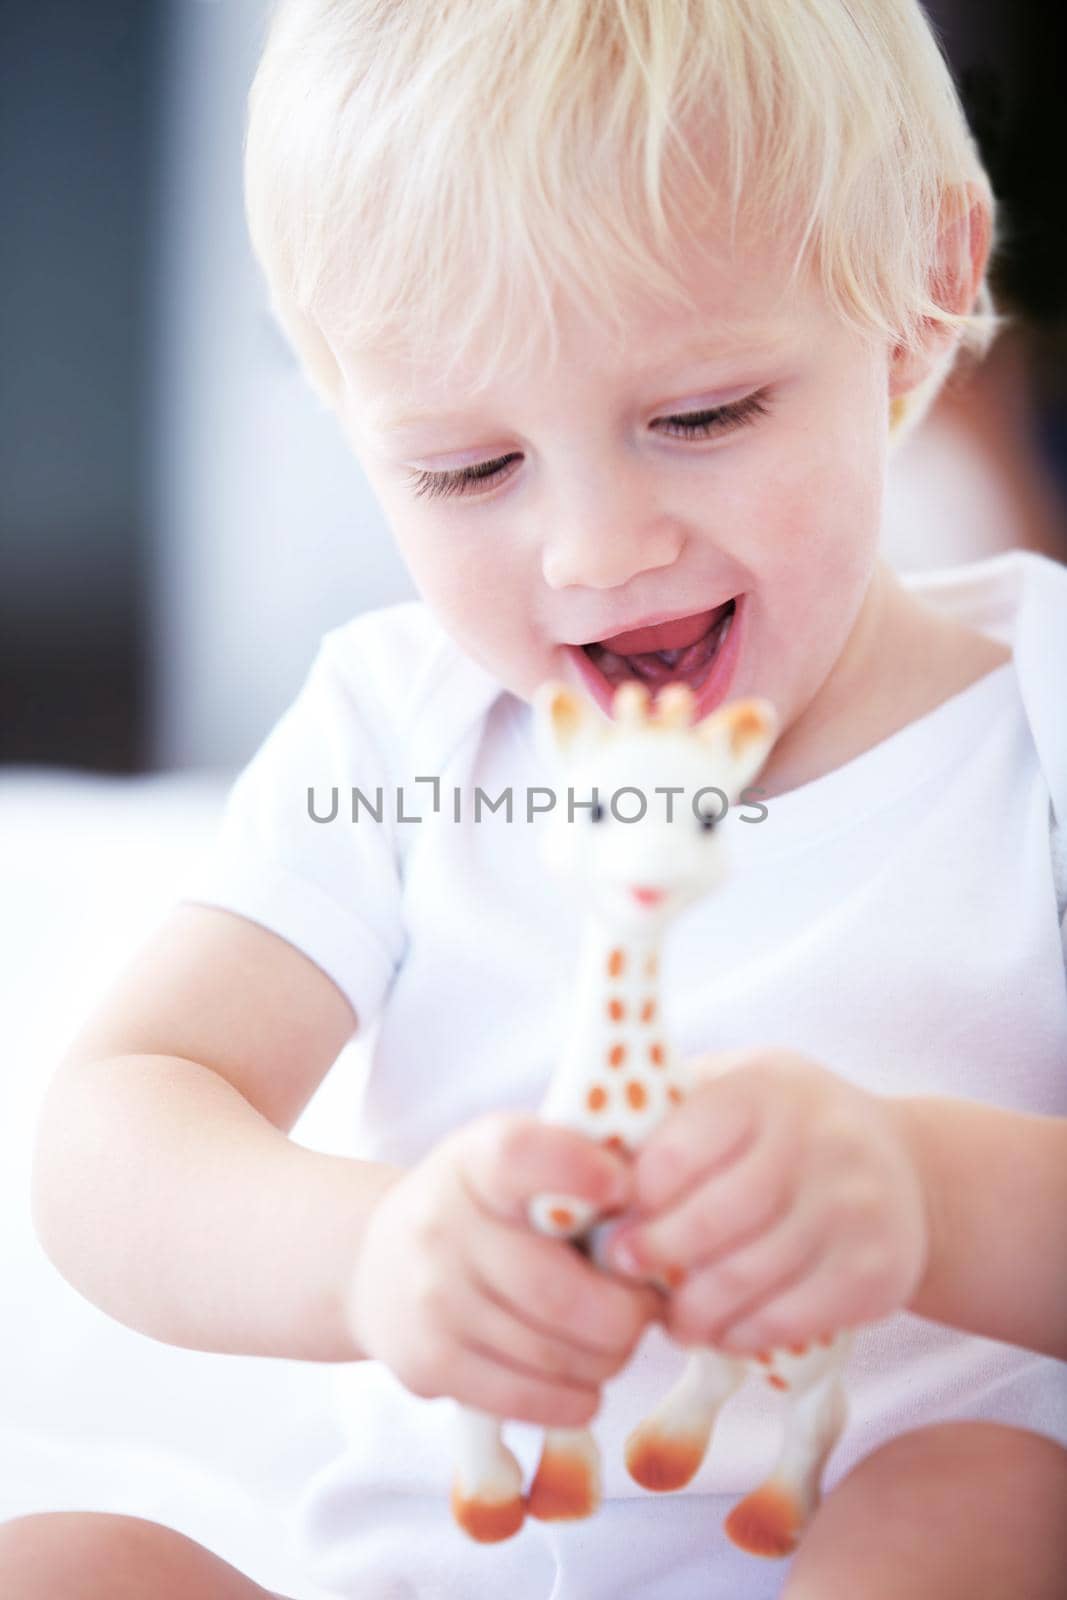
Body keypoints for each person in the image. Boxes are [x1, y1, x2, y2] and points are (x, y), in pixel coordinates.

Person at [13, 2, 1067, 1596]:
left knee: (981, 1494)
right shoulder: (400, 731)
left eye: (701, 417)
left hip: (856, 1531)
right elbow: (118, 1128)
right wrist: (372, 1254)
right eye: (467, 469)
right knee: (65, 1561)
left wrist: (930, 1194)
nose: (597, 549)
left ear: (922, 299)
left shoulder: (1039, 715)